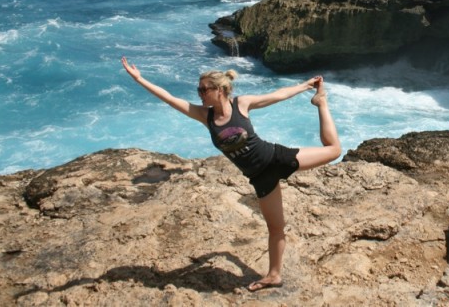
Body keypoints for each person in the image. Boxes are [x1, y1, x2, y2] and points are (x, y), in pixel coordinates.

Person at [120, 56, 341, 292]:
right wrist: (139, 78)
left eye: (204, 89)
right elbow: (170, 99)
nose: (200, 94)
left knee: (334, 150)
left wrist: (306, 86)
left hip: (275, 157)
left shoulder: (241, 104)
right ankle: (274, 275)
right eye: (199, 89)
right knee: (276, 228)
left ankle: (321, 103)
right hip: (259, 178)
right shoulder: (205, 116)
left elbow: (277, 95)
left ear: (221, 89)